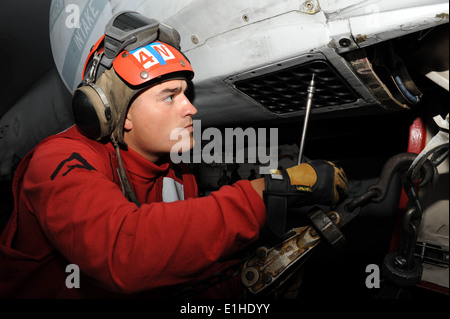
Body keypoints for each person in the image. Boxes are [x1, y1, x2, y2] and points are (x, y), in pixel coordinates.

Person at [0, 11, 348, 299]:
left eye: (186, 93)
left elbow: (181, 278)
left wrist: (246, 283)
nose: (190, 108)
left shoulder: (177, 175)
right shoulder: (57, 161)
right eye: (170, 96)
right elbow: (125, 255)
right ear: (118, 114)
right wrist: (263, 194)